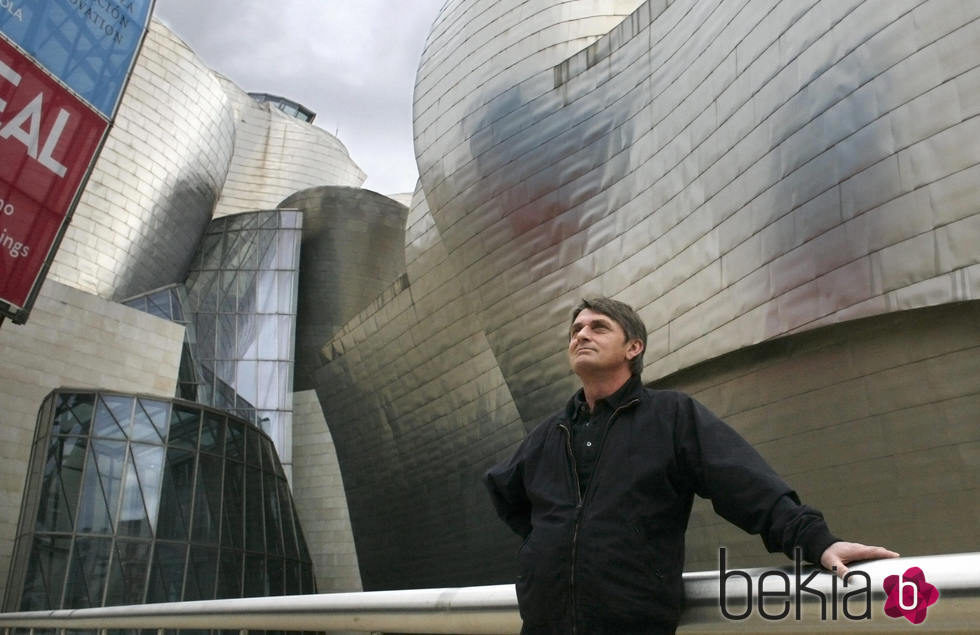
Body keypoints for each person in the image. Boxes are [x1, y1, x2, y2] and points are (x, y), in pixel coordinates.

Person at [484, 297, 897, 634]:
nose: (581, 335)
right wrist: (547, 548)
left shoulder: (671, 416)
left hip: (633, 627)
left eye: (598, 327)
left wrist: (815, 540)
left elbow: (741, 481)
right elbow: (507, 493)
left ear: (634, 348)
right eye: (576, 330)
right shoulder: (548, 434)